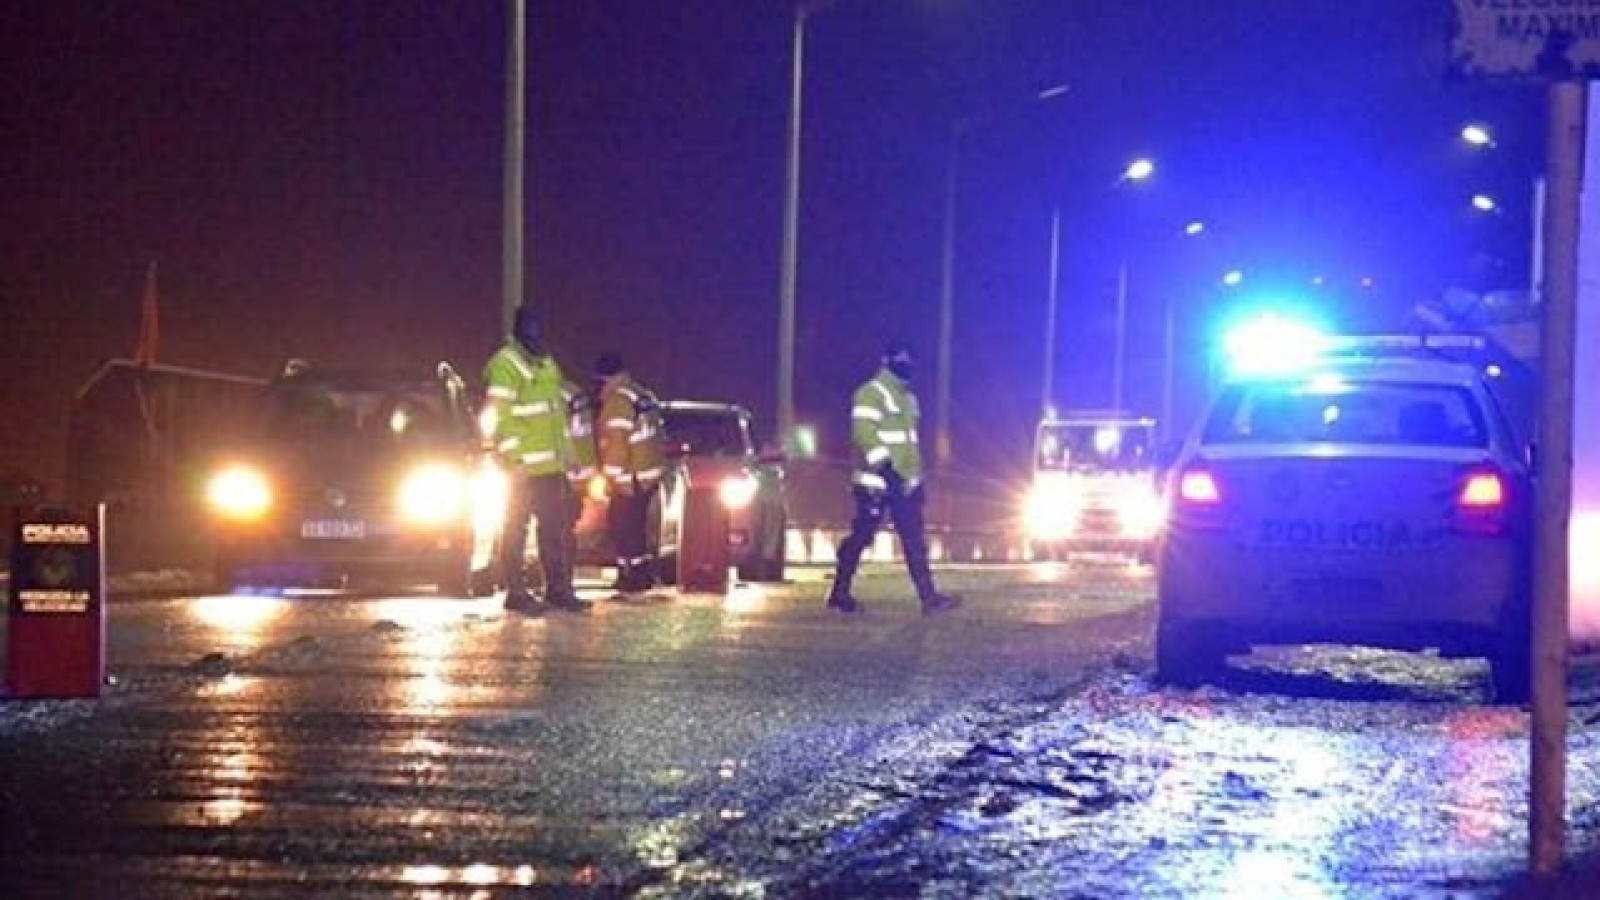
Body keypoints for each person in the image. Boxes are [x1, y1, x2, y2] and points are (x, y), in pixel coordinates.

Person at [826, 341, 960, 615]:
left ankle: (929, 598)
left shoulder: (909, 400)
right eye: (901, 359)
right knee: (862, 537)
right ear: (886, 361)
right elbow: (863, 432)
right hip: (875, 483)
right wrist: (885, 467)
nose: (906, 365)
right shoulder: (870, 393)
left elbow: (910, 444)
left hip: (904, 484)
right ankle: (840, 592)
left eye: (909, 360)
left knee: (913, 539)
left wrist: (916, 478)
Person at [481, 306, 590, 614]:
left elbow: (556, 415)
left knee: (555, 529)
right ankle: (516, 592)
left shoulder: (546, 363)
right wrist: (513, 459)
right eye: (532, 327)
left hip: (551, 467)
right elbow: (498, 417)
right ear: (520, 330)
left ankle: (558, 589)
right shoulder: (505, 364)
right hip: (523, 467)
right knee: (516, 528)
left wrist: (568, 454)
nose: (538, 334)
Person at [594, 353, 666, 595]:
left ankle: (632, 576)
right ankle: (641, 573)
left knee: (622, 525)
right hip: (648, 473)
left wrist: (610, 476)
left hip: (630, 476)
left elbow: (617, 442)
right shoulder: (643, 395)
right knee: (637, 526)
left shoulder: (617, 400)